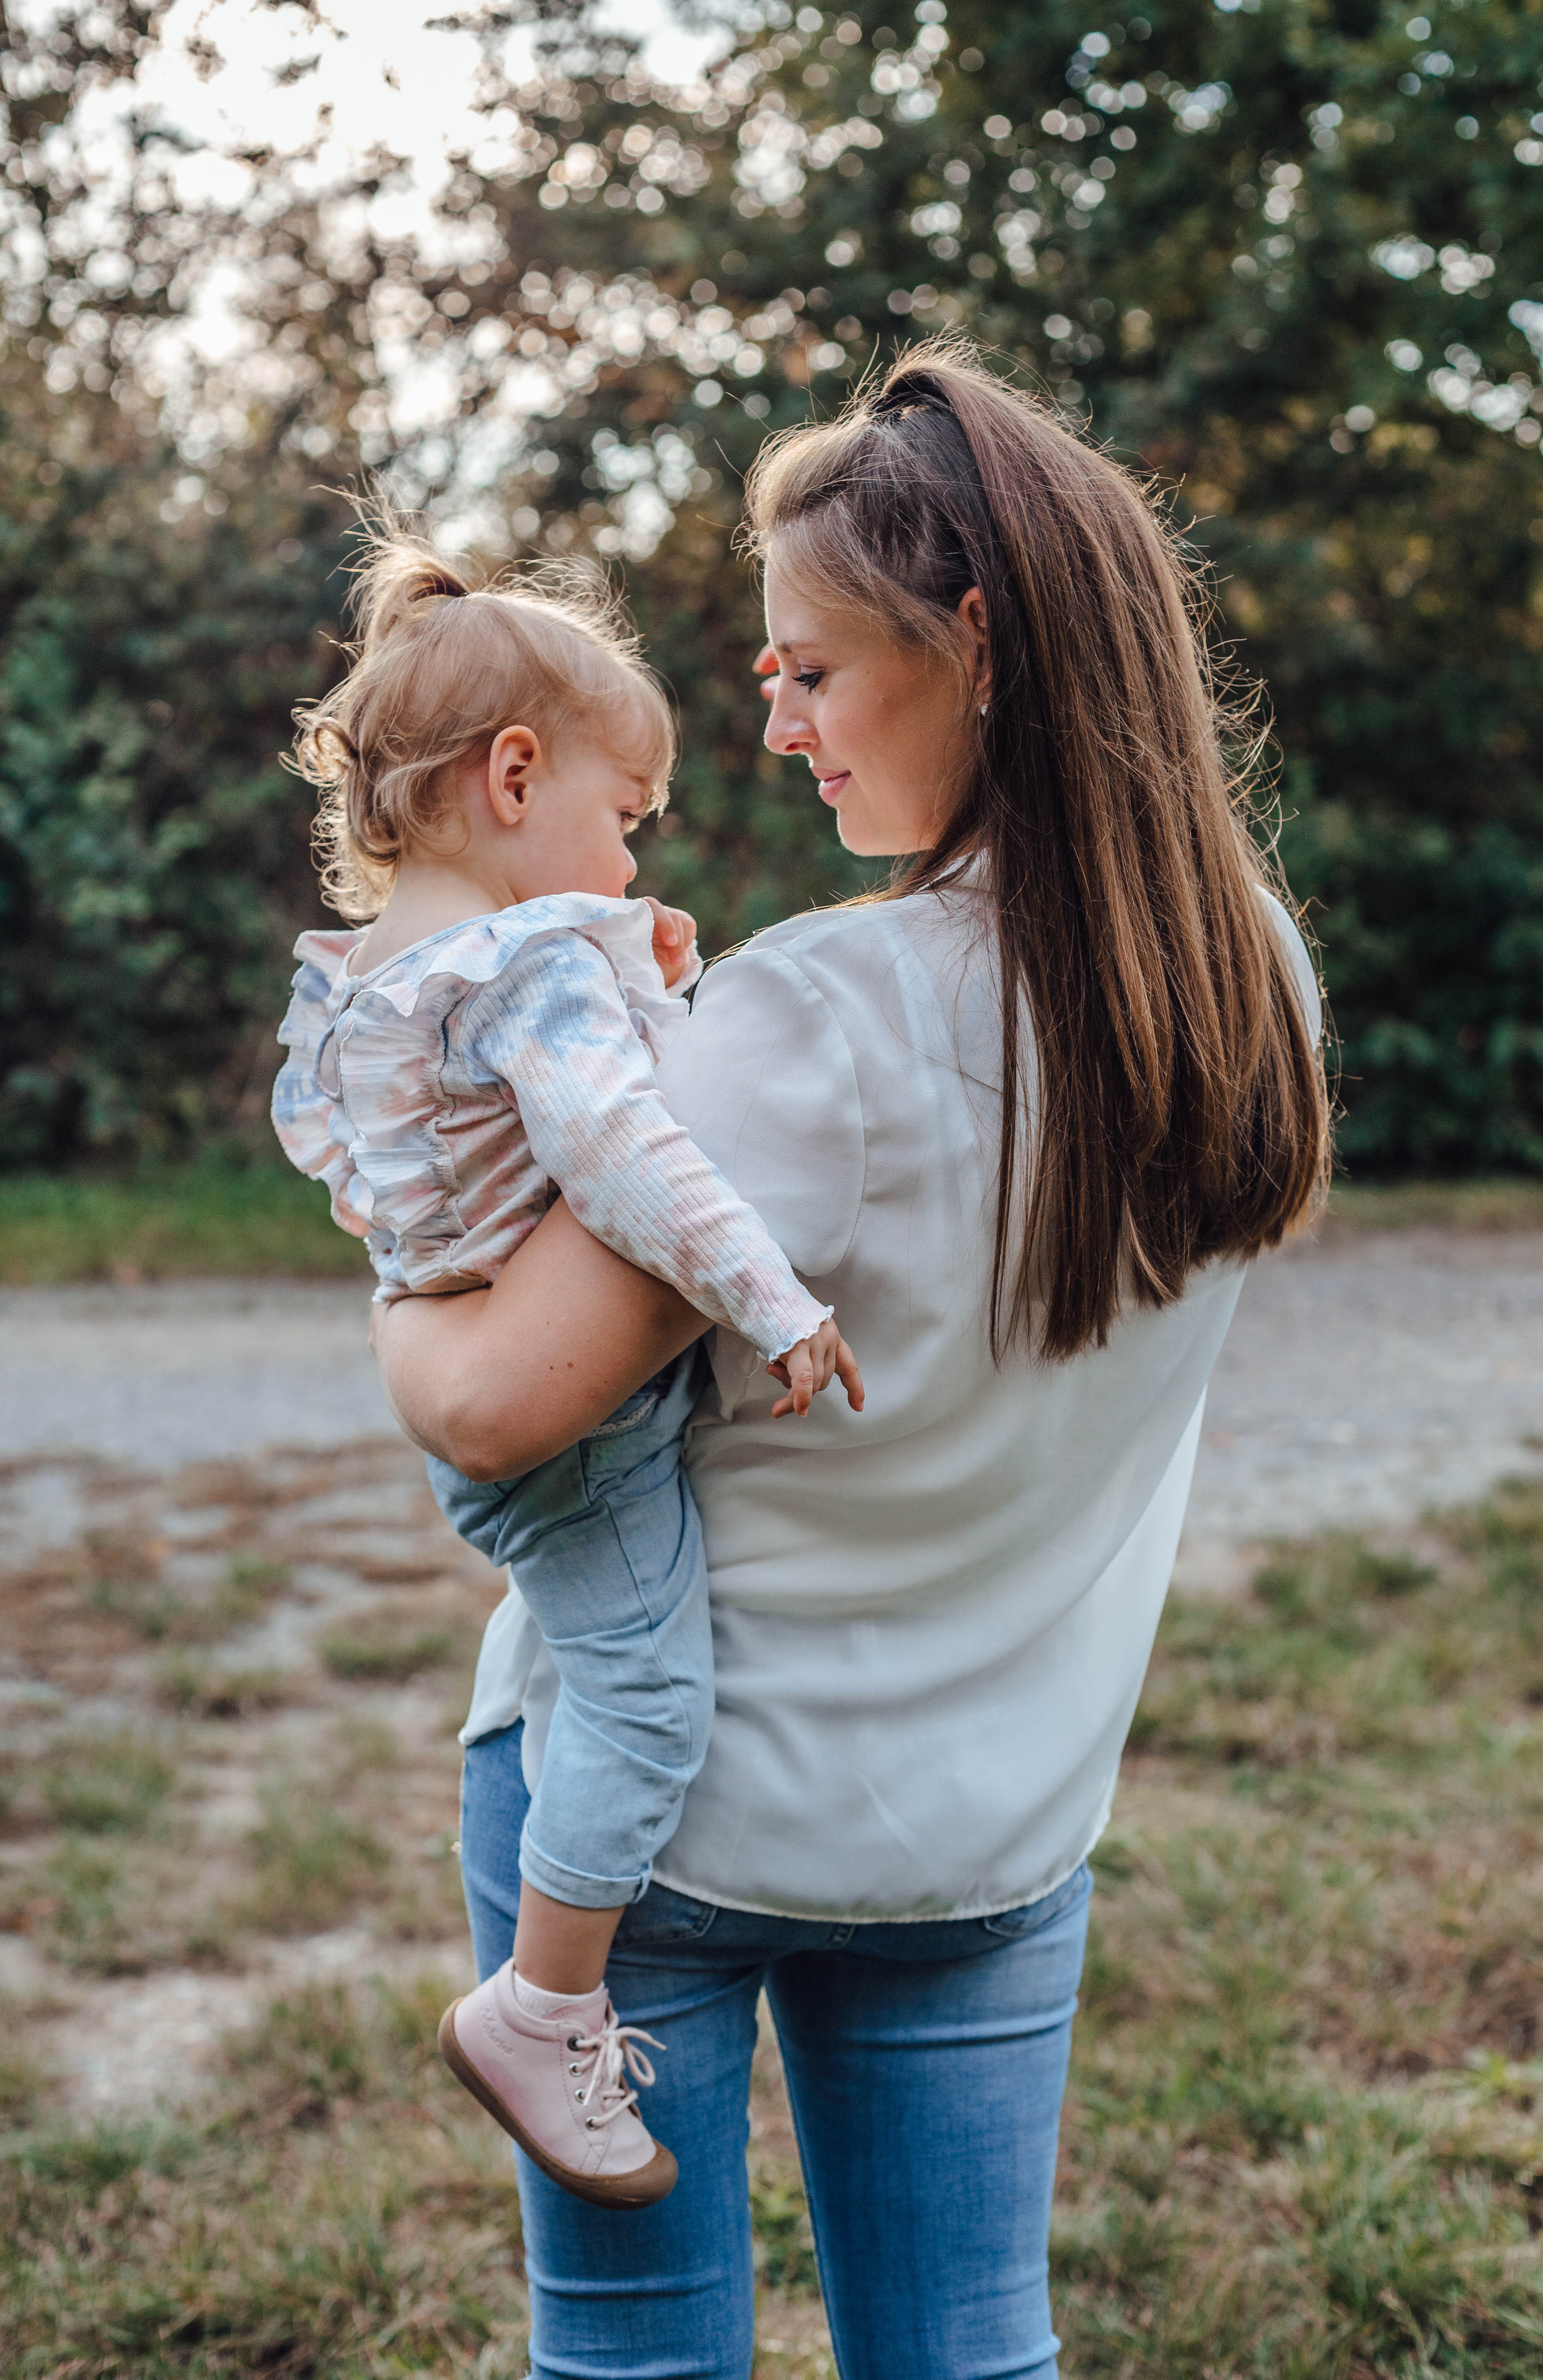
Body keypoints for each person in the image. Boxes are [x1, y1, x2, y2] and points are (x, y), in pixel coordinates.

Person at [374, 342, 1329, 2380]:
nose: (777, 720)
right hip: (994, 1813)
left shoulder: (815, 1015)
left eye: (811, 668)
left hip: (660, 1828)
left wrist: (395, 1247)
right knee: (974, 2347)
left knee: (636, 2355)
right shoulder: (1258, 976)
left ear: (972, 643)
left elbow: (486, 1402)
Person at [270, 519, 862, 2212]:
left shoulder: (380, 981)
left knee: (617, 1662)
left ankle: (548, 1992)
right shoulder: (529, 970)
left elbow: (429, 1168)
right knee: (648, 1692)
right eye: (624, 822)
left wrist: (633, 983)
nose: (630, 862)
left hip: (484, 1392)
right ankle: (544, 2004)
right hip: (576, 1436)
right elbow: (628, 1161)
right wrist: (772, 1302)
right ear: (513, 775)